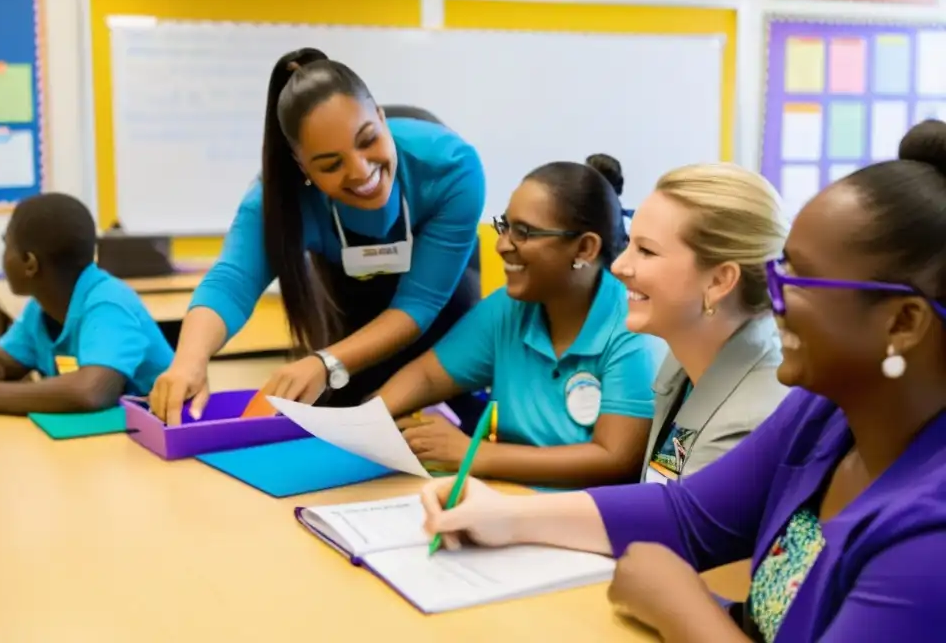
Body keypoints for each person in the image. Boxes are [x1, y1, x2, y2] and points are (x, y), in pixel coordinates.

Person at [420, 120, 946, 641]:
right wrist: (504, 515)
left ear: (903, 322)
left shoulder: (931, 537)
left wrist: (683, 608)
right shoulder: (822, 412)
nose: (774, 300)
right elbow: (689, 512)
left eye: (797, 280)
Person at [149, 49, 486, 426]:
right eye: (331, 164)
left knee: (454, 407)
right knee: (351, 410)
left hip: (442, 295)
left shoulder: (450, 167)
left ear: (380, 117)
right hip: (352, 300)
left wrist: (324, 362)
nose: (360, 172)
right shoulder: (275, 201)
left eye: (368, 140)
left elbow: (420, 304)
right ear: (301, 165)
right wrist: (188, 362)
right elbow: (231, 282)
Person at [376, 157, 662, 488]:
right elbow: (427, 377)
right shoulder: (509, 308)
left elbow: (616, 459)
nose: (501, 245)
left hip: (584, 521)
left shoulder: (633, 329)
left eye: (523, 232)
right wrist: (366, 425)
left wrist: (474, 454)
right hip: (507, 502)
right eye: (505, 226)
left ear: (584, 248)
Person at [610, 163, 789, 483]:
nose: (619, 265)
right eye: (628, 244)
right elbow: (662, 482)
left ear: (720, 280)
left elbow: (673, 526)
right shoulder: (687, 361)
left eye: (646, 251)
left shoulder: (754, 422)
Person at [0, 193, 173, 415]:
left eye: (6, 245)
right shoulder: (40, 308)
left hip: (156, 441)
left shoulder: (108, 303)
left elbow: (91, 392)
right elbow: (1, 362)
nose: (3, 256)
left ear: (29, 264)